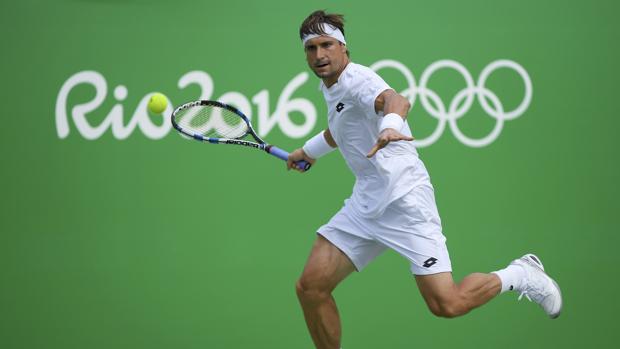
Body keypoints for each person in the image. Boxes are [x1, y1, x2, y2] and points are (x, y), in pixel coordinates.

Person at [287, 10, 562, 349]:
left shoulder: (359, 79)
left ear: (343, 47)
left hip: (405, 200)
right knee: (311, 288)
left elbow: (396, 101)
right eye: (311, 48)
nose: (319, 55)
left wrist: (390, 125)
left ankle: (520, 275)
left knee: (447, 304)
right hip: (367, 202)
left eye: (326, 45)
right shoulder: (332, 88)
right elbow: (341, 128)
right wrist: (309, 151)